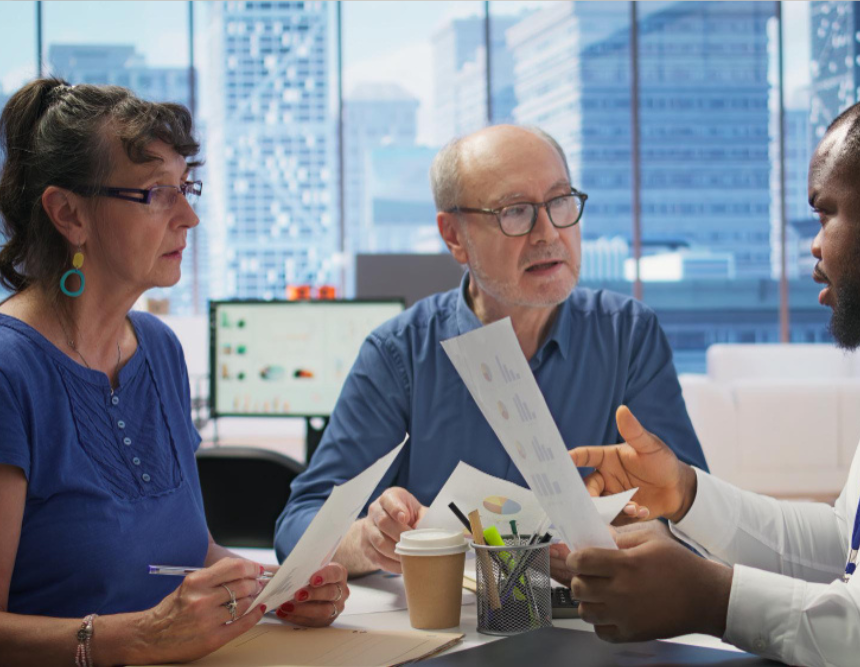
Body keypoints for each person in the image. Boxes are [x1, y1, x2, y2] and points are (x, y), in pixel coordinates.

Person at [562, 85, 860, 666]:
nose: (813, 248)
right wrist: (686, 494)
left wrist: (716, 599)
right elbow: (851, 544)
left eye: (826, 213)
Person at [0, 79, 349, 667]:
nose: (188, 216)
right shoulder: (10, 372)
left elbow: (193, 551)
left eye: (187, 188)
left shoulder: (159, 349)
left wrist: (274, 588)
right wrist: (134, 638)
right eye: (158, 193)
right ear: (68, 213)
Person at [275, 124, 708, 576]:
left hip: (589, 624)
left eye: (560, 201)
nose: (548, 233)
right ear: (454, 236)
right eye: (515, 211)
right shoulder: (398, 354)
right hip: (443, 634)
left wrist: (640, 531)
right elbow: (298, 531)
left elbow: (698, 518)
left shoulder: (627, 335)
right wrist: (366, 540)